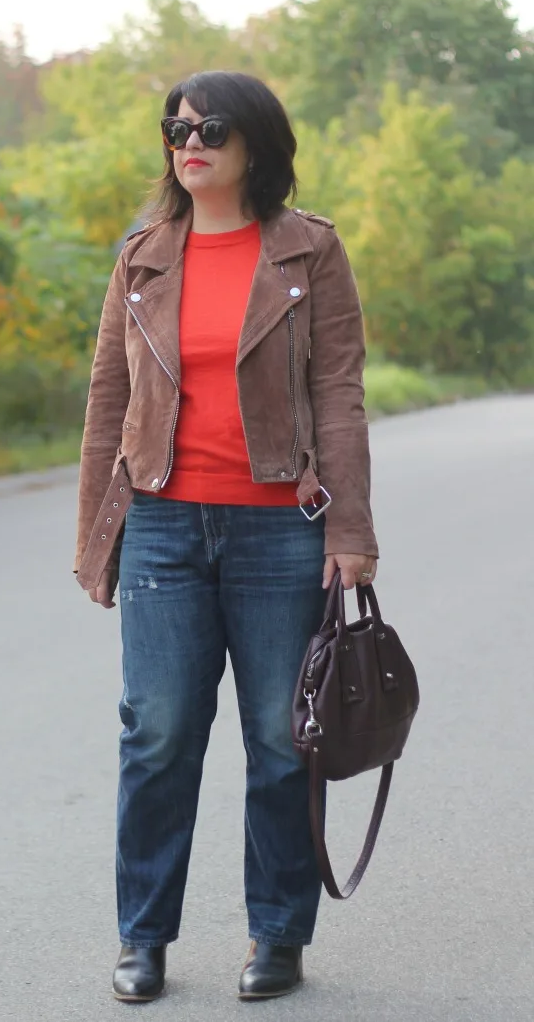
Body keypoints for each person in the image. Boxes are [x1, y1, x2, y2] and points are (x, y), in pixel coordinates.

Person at [74, 71, 378, 1003]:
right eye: (176, 128)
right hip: (163, 520)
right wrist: (99, 535)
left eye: (209, 127)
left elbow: (338, 390)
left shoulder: (307, 250)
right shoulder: (143, 256)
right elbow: (108, 401)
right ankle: (143, 937)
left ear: (255, 144)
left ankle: (278, 934)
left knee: (286, 741)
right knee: (158, 733)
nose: (189, 142)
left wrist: (353, 531)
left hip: (281, 526)